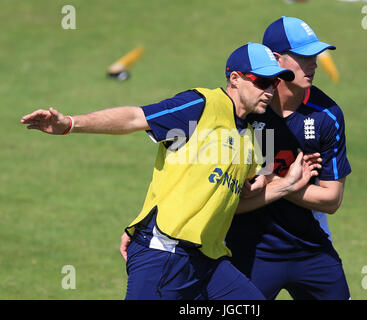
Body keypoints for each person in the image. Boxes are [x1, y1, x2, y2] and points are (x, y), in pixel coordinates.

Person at [22, 42, 320, 300]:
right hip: (164, 252)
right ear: (235, 79)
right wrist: (70, 124)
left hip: (210, 260)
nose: (269, 90)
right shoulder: (200, 105)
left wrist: (285, 185)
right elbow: (134, 117)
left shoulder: (254, 136)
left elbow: (238, 199)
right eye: (261, 81)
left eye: (273, 83)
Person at [225, 17, 352, 300]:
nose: (314, 64)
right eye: (303, 56)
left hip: (311, 251)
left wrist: (274, 180)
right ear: (277, 59)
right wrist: (291, 181)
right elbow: (224, 195)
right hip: (248, 251)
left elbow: (331, 200)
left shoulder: (327, 115)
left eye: (314, 56)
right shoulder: (244, 109)